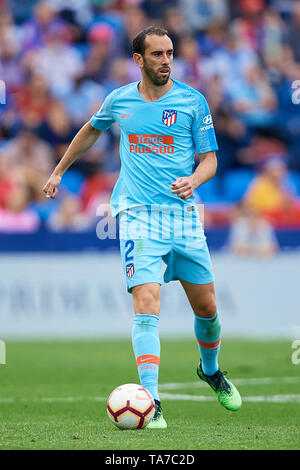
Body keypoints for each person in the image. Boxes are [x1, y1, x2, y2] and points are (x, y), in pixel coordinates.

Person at [43, 26, 242, 429]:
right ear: (139, 59)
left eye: (170, 53)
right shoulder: (120, 100)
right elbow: (91, 131)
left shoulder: (192, 101)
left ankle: (211, 370)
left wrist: (194, 180)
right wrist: (60, 170)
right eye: (157, 54)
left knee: (207, 308)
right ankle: (151, 400)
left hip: (184, 218)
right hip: (137, 216)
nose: (166, 60)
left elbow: (210, 160)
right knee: (146, 303)